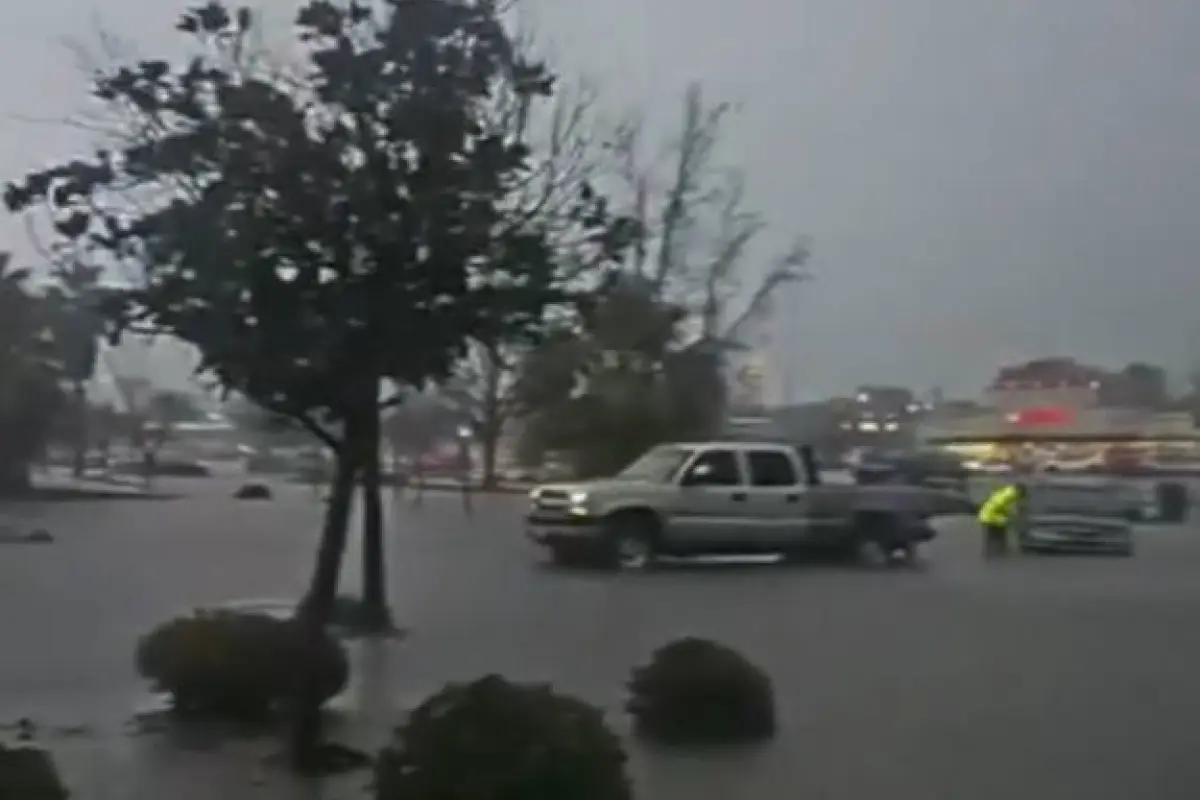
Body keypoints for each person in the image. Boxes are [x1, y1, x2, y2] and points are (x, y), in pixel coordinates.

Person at [977, 482, 1026, 557]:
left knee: (998, 534)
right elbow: (993, 508)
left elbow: (1003, 507)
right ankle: (992, 553)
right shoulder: (1008, 495)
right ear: (1019, 491)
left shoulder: (1009, 493)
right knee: (994, 535)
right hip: (989, 517)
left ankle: (997, 551)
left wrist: (1007, 514)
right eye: (1021, 495)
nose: (1020, 498)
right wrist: (1002, 519)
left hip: (989, 516)